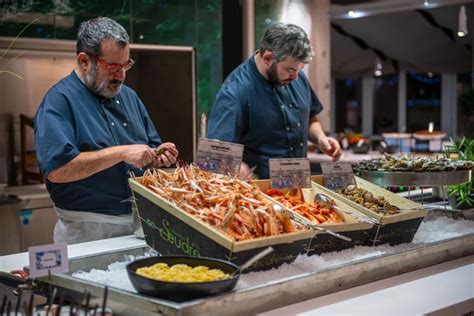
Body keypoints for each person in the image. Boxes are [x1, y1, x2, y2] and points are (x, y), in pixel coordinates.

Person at [34, 17, 179, 244]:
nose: (121, 75)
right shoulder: (59, 100)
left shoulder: (130, 97)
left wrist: (157, 157)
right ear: (84, 61)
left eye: (126, 65)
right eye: (113, 67)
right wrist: (121, 153)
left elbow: (146, 151)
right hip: (86, 231)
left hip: (140, 224)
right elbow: (58, 169)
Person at [207, 23, 341, 179]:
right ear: (267, 58)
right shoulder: (235, 91)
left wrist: (320, 138)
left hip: (298, 183)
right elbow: (215, 152)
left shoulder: (297, 78)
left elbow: (310, 117)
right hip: (259, 194)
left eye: (299, 69)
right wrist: (236, 167)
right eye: (290, 69)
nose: (296, 76)